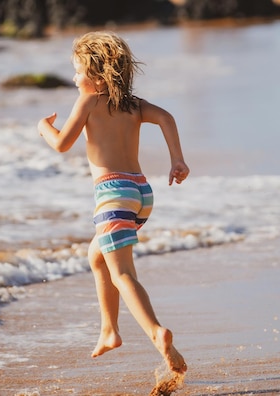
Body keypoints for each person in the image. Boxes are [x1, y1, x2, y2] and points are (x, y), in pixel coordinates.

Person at [37, 31, 189, 374]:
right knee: (97, 256)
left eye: (78, 72)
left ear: (98, 76)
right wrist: (177, 160)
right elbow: (166, 117)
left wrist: (42, 127)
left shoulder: (89, 102)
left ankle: (155, 331)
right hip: (140, 194)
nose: (75, 78)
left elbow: (62, 144)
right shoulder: (133, 105)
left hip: (112, 194)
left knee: (121, 272)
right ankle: (109, 330)